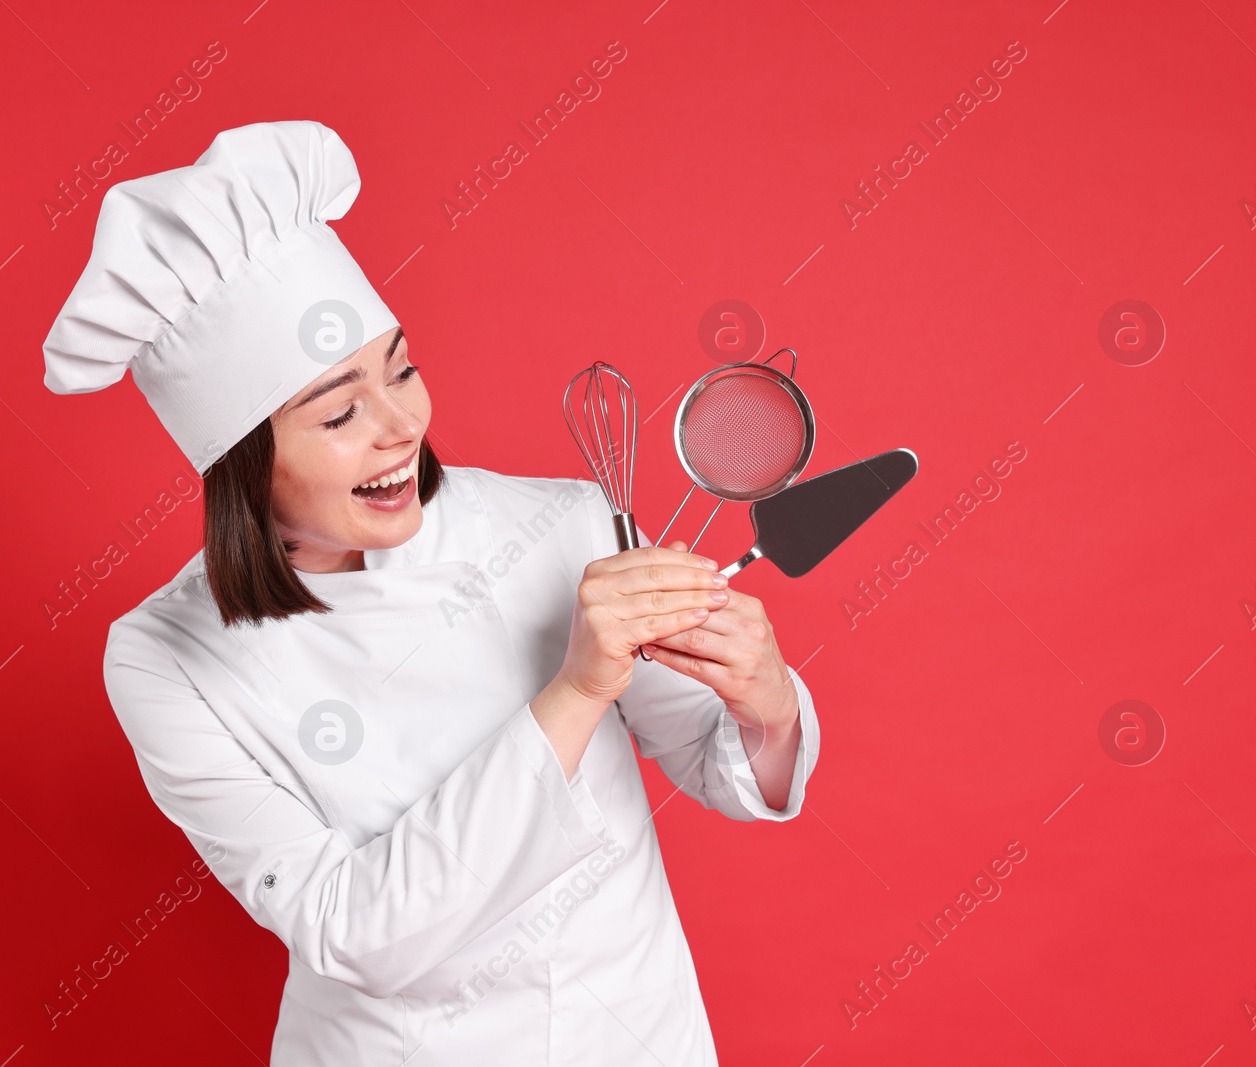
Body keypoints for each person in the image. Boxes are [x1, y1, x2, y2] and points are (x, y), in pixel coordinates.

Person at [42, 120, 819, 1065]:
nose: (403, 423)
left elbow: (719, 762)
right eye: (340, 410)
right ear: (242, 460)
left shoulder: (565, 524)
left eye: (403, 367)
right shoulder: (168, 656)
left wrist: (768, 704)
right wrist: (573, 692)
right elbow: (355, 928)